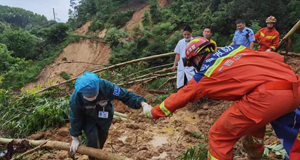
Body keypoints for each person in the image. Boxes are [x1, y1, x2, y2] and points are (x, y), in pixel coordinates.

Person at [143, 37, 300, 160]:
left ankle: (254, 154)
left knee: (218, 136)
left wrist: (153, 112)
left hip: (265, 97)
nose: (194, 67)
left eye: (192, 63)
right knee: (257, 121)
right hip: (294, 88)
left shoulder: (205, 74)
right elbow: (275, 58)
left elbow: (180, 96)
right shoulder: (236, 48)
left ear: (196, 58)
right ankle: (256, 155)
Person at [69, 72, 150, 160]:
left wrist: (143, 103)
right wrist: (75, 137)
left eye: (93, 95)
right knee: (92, 139)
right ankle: (93, 158)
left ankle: (98, 154)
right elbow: (75, 117)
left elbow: (126, 96)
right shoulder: (76, 98)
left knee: (102, 137)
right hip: (88, 118)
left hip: (105, 117)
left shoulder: (107, 87)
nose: (91, 97)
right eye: (88, 96)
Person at [172, 25, 195, 90]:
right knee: (181, 83)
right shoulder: (180, 42)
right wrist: (174, 65)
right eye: (185, 34)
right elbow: (178, 54)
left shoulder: (195, 42)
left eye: (188, 34)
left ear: (191, 34)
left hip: (191, 65)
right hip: (181, 65)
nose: (186, 36)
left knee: (192, 81)